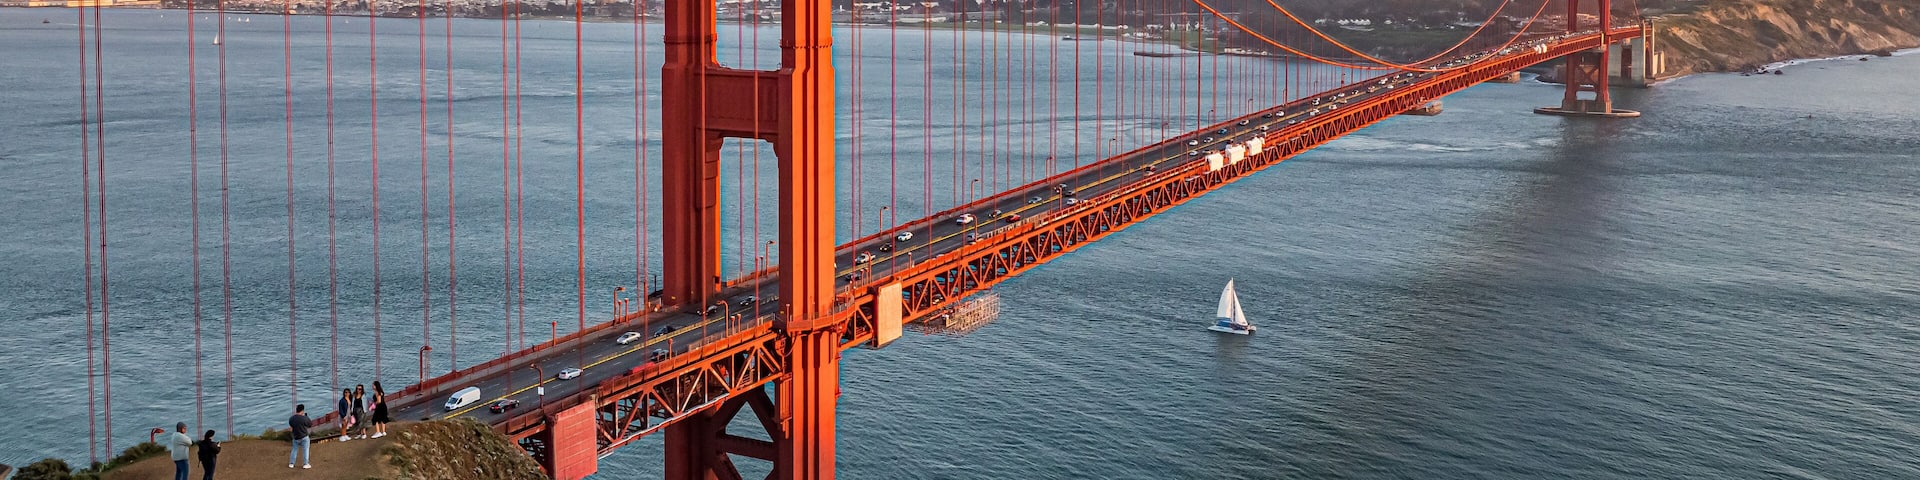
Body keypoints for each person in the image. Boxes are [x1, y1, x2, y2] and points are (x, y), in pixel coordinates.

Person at [288, 404, 311, 469]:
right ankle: (305, 464)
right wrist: (306, 417)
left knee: (294, 449)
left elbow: (291, 425)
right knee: (306, 450)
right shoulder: (304, 418)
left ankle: (291, 463)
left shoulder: (291, 418)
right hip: (304, 436)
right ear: (302, 410)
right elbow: (310, 424)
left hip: (295, 437)